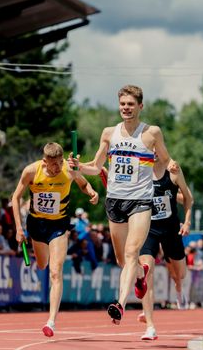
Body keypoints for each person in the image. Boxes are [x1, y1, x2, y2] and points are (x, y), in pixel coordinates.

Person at [69, 84, 178, 324]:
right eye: (122, 104)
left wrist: (171, 167)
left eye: (130, 104)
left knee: (131, 252)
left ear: (140, 106)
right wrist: (78, 168)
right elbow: (96, 167)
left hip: (140, 200)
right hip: (115, 201)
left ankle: (120, 303)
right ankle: (140, 275)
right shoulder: (109, 133)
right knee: (122, 259)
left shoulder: (151, 133)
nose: (126, 108)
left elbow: (168, 159)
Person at [12, 142, 99, 337]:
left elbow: (84, 184)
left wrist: (92, 193)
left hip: (58, 225)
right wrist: (19, 228)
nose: (57, 167)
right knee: (42, 265)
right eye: (53, 164)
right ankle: (42, 258)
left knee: (55, 272)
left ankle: (51, 321)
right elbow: (15, 197)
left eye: (60, 162)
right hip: (36, 224)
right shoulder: (31, 171)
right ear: (44, 162)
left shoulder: (69, 169)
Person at [137, 159, 193, 340]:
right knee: (146, 272)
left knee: (180, 274)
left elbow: (189, 198)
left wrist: (187, 221)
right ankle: (150, 326)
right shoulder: (139, 171)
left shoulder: (174, 170)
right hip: (148, 229)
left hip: (171, 229)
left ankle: (178, 286)